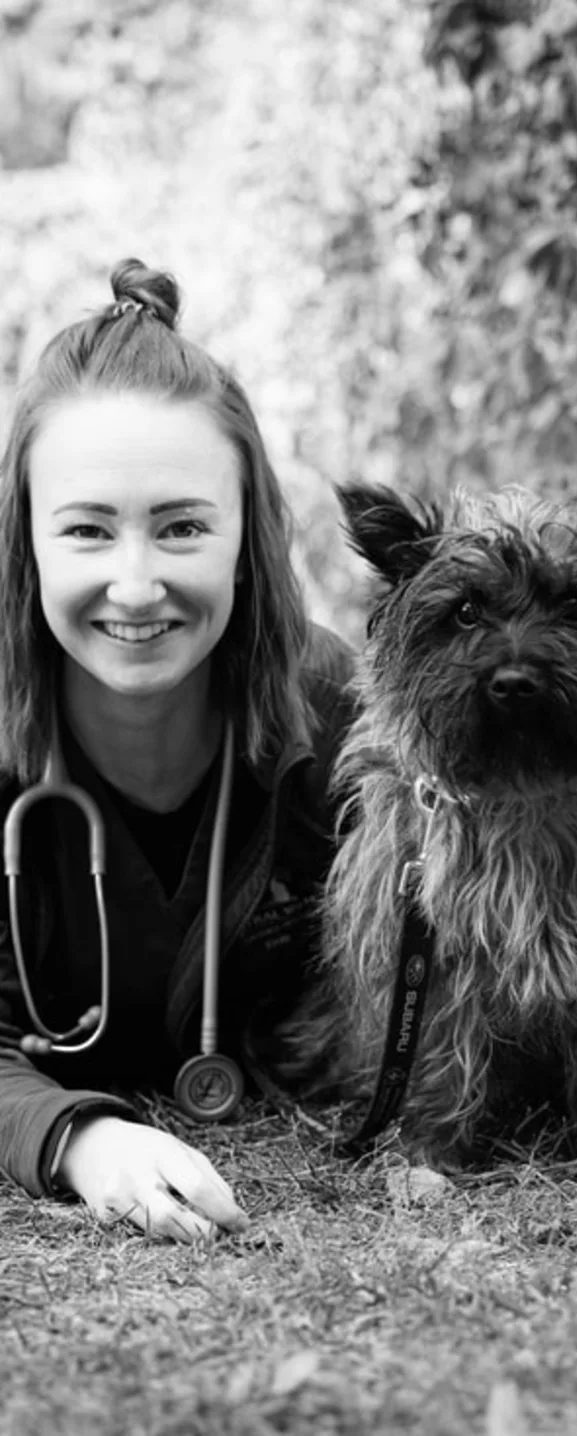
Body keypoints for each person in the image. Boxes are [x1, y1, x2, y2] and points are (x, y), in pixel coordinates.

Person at [0, 258, 355, 1241]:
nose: (137, 581)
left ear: (248, 536)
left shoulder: (339, 710)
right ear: (27, 544)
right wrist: (83, 1140)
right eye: (86, 530)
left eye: (182, 526)